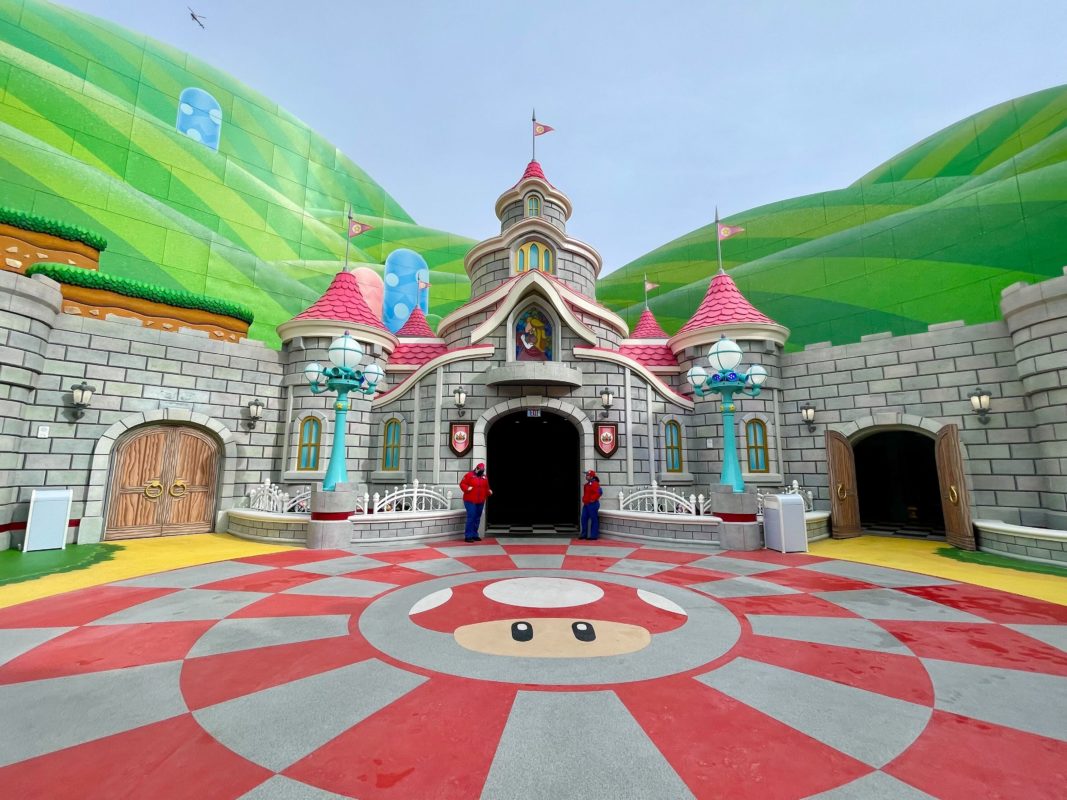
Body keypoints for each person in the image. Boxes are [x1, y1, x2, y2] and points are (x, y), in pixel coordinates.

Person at [459, 463, 492, 542]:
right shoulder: (469, 475)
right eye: (480, 470)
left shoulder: (484, 477)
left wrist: (489, 492)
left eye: (483, 471)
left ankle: (474, 535)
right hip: (470, 500)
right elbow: (462, 484)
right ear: (476, 469)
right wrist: (467, 488)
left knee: (477, 518)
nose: (481, 472)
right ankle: (468, 536)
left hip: (480, 501)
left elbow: (486, 488)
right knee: (471, 517)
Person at [580, 470, 602, 540]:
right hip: (586, 504)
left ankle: (593, 536)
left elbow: (599, 492)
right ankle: (584, 534)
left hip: (593, 504)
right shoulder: (586, 485)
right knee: (583, 518)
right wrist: (584, 499)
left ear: (591, 476)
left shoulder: (595, 484)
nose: (586, 476)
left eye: (588, 475)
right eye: (586, 475)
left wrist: (592, 499)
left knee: (594, 519)